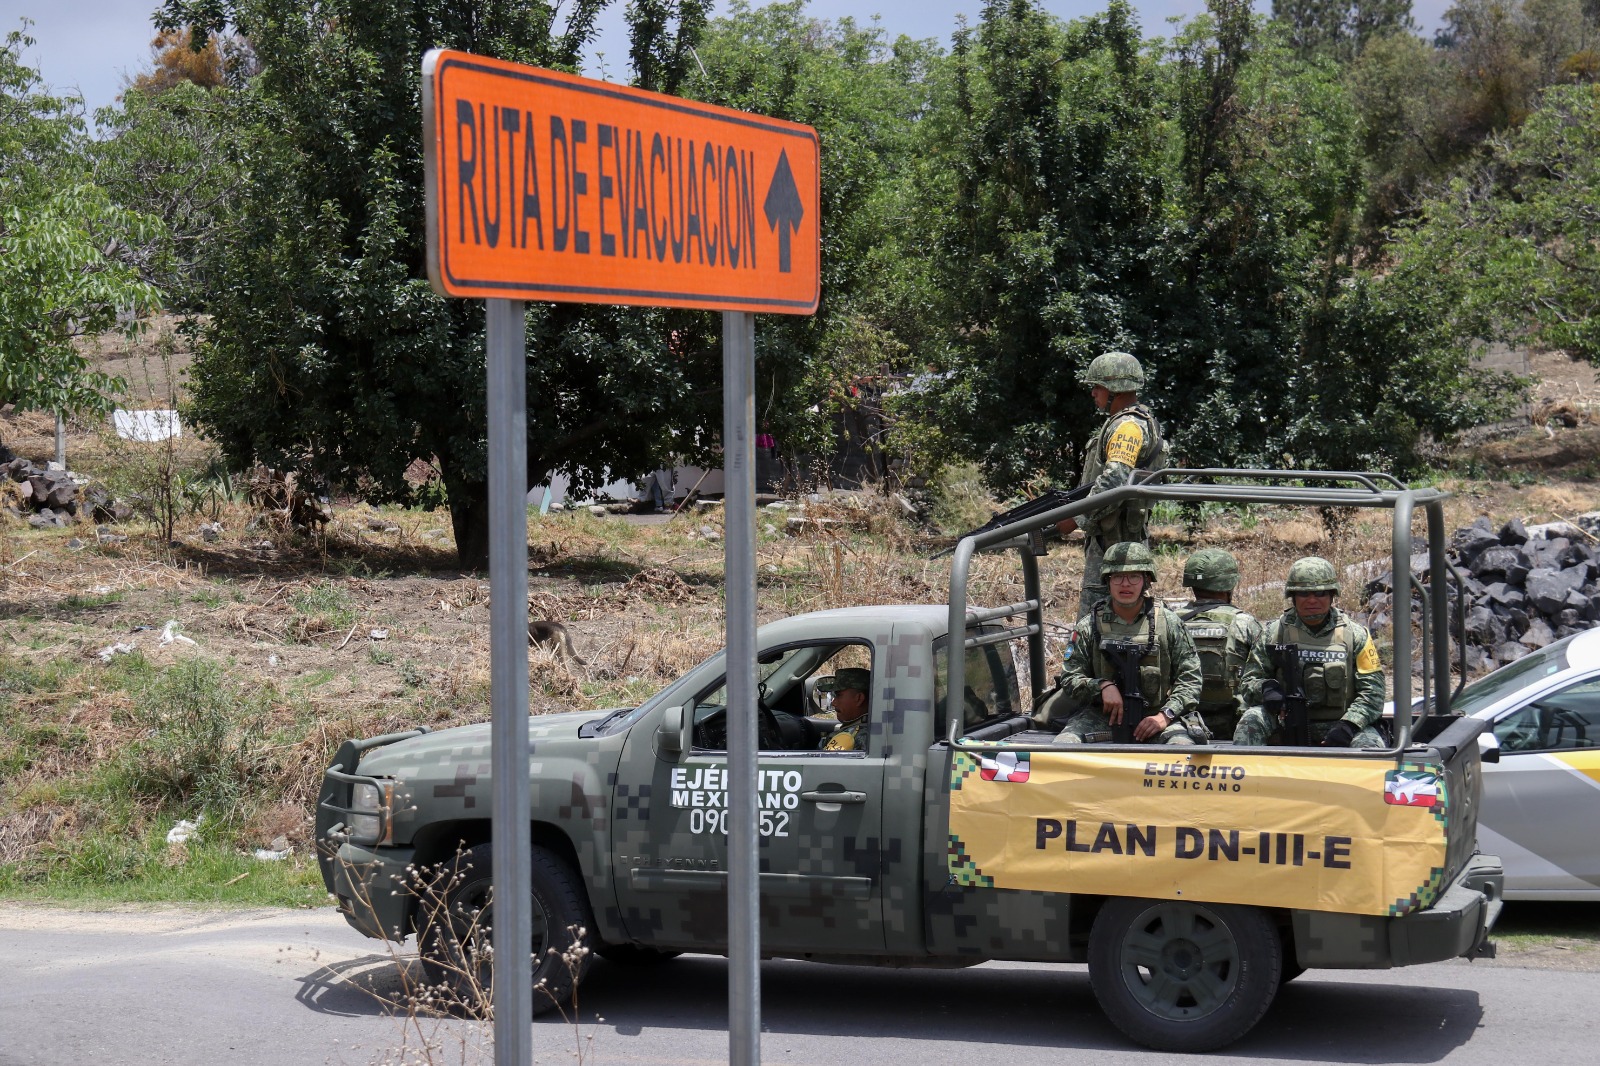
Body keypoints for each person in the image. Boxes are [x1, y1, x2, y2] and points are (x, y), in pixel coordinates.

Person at [1053, 542, 1205, 745]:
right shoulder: (1089, 624)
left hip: (1155, 716)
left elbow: (1191, 679)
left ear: (1147, 580)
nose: (1125, 584)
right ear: (1107, 580)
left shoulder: (1168, 622)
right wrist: (1101, 686)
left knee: (1182, 749)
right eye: (1117, 577)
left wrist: (1165, 715)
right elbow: (1070, 676)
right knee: (1063, 746)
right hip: (1102, 716)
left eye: (1134, 577)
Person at [1055, 351, 1168, 613]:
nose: (1094, 393)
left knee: (1095, 624)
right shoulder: (1140, 422)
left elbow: (1114, 480)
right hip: (1124, 542)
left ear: (1114, 389)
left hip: (1113, 548)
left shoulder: (1127, 426)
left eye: (1098, 387)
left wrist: (1074, 518)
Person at [1234, 556, 1387, 748]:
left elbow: (1373, 692)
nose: (1312, 600)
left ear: (1332, 595)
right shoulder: (1274, 633)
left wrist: (1349, 725)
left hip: (1342, 722)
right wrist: (1266, 690)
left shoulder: (1355, 635)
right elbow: (1248, 682)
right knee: (1251, 721)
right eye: (1304, 594)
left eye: (1320, 593)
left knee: (1370, 746)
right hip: (1285, 720)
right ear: (1293, 597)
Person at [1176, 548, 1262, 741]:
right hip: (1235, 725)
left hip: (1181, 722)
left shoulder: (1172, 621)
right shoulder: (1244, 623)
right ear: (1229, 584)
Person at [816, 667, 870, 751]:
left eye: (838, 695)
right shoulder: (868, 731)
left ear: (859, 698)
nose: (833, 703)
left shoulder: (860, 737)